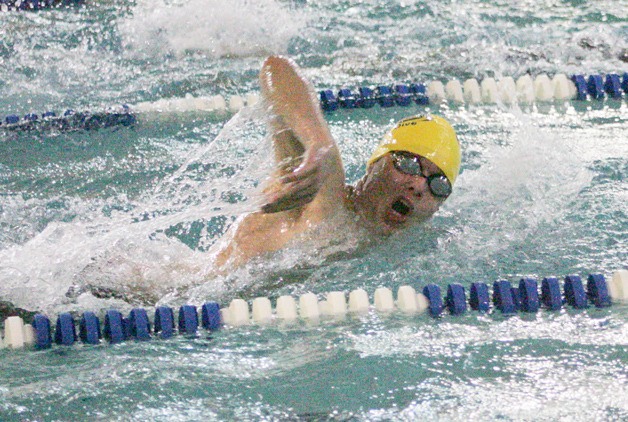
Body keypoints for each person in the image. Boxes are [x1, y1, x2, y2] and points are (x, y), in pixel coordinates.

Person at [210, 56, 461, 270]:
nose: (419, 186)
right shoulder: (323, 196)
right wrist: (318, 143)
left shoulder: (377, 240)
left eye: (438, 184)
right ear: (374, 164)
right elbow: (276, 67)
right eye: (408, 164)